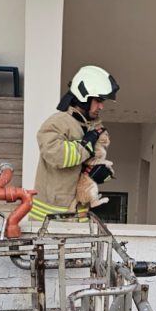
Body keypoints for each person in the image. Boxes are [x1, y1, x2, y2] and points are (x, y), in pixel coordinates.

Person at [29, 65, 119, 222]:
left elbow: (81, 165)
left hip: (78, 216)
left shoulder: (89, 127)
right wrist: (85, 146)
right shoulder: (58, 122)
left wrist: (96, 173)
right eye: (98, 100)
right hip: (50, 220)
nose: (101, 106)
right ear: (83, 97)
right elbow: (57, 155)